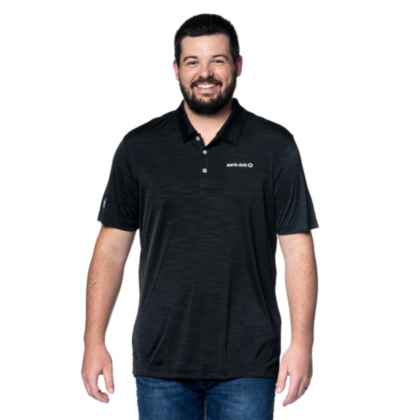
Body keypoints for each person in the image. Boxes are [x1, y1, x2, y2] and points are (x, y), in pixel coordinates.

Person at [81, 13, 319, 420]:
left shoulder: (275, 146)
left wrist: (302, 344)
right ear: (176, 69)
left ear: (237, 65)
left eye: (218, 61)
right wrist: (93, 341)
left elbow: (297, 250)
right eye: (192, 62)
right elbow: (111, 251)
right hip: (161, 361)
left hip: (248, 362)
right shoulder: (139, 147)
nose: (205, 73)